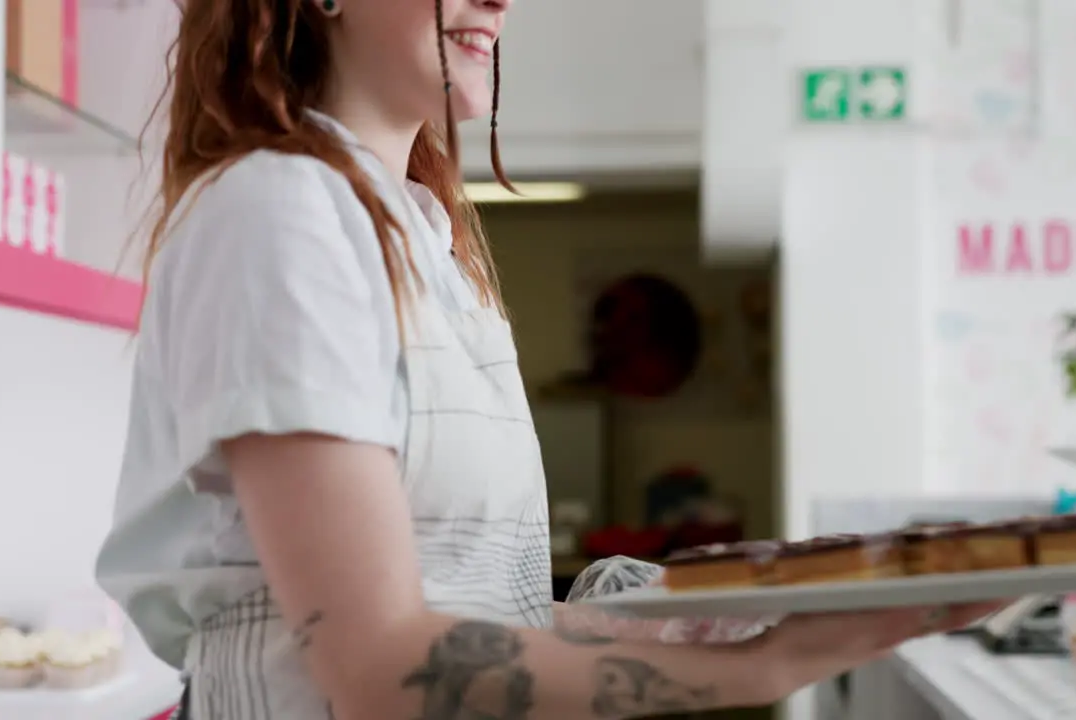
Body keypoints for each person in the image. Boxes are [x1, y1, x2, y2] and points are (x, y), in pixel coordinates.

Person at [94, 0, 1002, 717]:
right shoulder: (278, 212)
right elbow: (377, 670)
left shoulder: (430, 242)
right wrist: (767, 667)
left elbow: (478, 618)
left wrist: (759, 593)